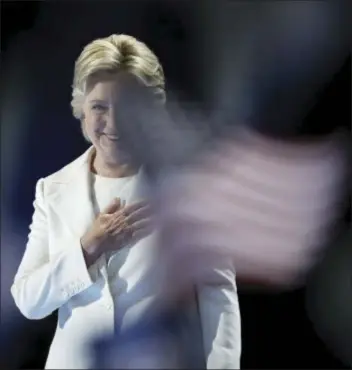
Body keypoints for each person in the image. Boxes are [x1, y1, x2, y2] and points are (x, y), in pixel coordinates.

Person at [10, 34, 241, 369]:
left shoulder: (185, 188)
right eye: (99, 107)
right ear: (81, 109)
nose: (114, 124)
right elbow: (28, 301)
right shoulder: (53, 188)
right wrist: (88, 248)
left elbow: (218, 300)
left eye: (129, 107)